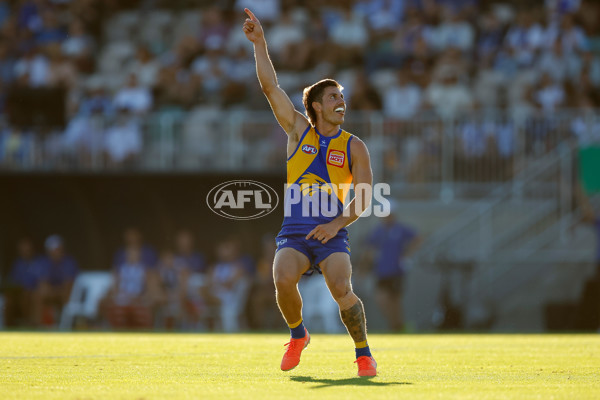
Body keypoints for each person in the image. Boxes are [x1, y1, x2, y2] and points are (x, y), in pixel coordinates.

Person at [243, 9, 377, 376]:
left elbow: (363, 199)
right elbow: (271, 88)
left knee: (340, 286)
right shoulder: (299, 132)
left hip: (332, 233)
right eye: (334, 96)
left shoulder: (355, 147)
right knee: (282, 279)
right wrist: (260, 44)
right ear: (317, 105)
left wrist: (335, 225)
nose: (341, 102)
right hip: (296, 233)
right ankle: (298, 335)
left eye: (342, 96)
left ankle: (364, 354)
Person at [364, 212, 422, 332]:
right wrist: (366, 266)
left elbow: (417, 238)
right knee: (382, 299)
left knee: (394, 300)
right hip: (381, 271)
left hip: (396, 270)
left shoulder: (400, 229)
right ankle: (396, 325)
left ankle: (398, 326)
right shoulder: (379, 231)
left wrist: (407, 254)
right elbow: (369, 248)